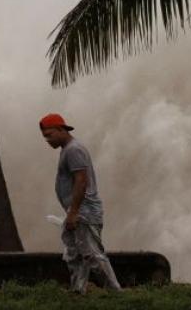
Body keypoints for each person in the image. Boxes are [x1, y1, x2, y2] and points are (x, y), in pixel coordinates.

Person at [39, 113, 122, 293]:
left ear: (61, 129)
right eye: (45, 137)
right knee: (74, 253)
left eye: (49, 135)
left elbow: (81, 180)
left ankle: (115, 291)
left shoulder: (73, 150)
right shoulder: (67, 149)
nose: (47, 140)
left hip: (84, 212)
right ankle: (78, 289)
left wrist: (73, 212)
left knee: (92, 254)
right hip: (77, 211)